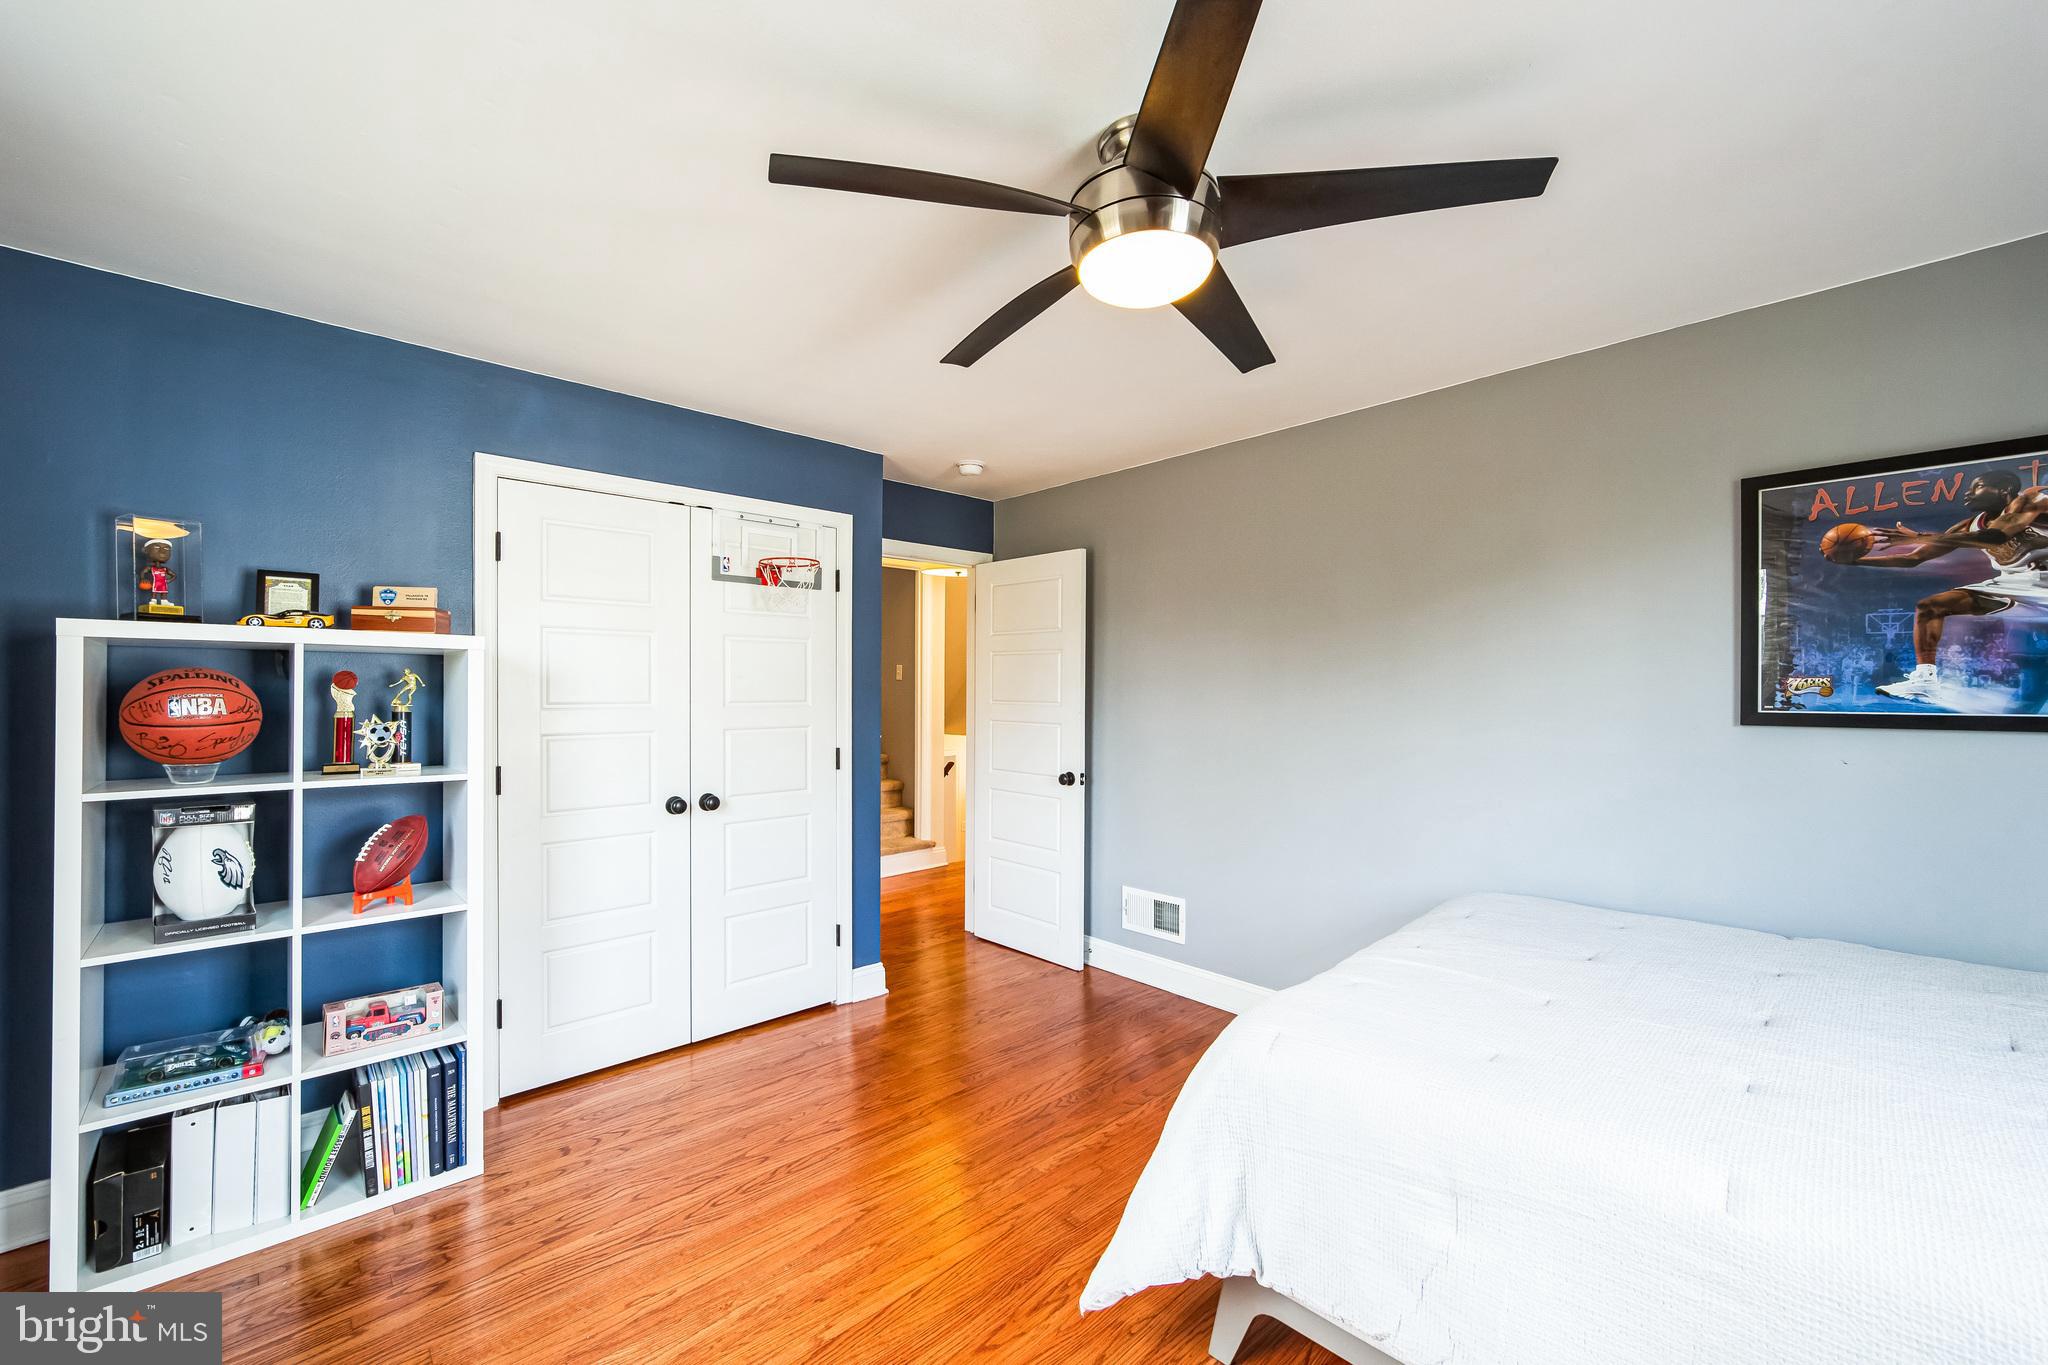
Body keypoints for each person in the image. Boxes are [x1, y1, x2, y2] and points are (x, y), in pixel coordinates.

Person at [1856, 472, 2048, 701]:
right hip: (2012, 582)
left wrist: (1920, 536)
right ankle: (1925, 681)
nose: (1968, 492)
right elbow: (1914, 559)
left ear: (2004, 489)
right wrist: (1855, 560)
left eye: (1978, 485)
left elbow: (1996, 537)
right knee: (1931, 607)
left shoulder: (2031, 501)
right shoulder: (1969, 526)